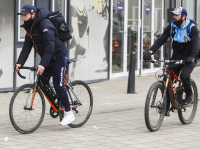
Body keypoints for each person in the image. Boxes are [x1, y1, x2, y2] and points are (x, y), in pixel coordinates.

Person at [14, 4, 75, 126]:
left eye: (25, 15)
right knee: (42, 81)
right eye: (22, 16)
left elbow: (50, 46)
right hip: (48, 58)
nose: (23, 18)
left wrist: (42, 65)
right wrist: (19, 63)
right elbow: (26, 48)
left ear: (33, 14)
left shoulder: (45, 24)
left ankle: (69, 113)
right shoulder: (30, 29)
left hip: (58, 56)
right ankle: (56, 102)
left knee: (59, 85)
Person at [143, 7, 199, 113]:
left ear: (183, 17)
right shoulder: (172, 26)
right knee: (167, 79)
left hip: (190, 57)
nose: (174, 17)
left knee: (184, 76)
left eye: (176, 15)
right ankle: (167, 106)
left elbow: (196, 43)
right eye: (173, 15)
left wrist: (192, 56)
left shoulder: (192, 28)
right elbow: (161, 39)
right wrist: (150, 52)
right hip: (177, 56)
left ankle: (189, 94)